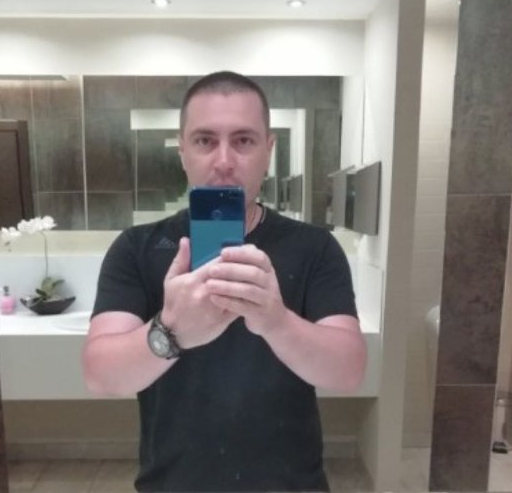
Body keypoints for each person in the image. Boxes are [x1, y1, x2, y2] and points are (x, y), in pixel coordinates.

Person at [83, 71, 367, 492]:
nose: (223, 161)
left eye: (243, 140)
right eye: (204, 140)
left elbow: (349, 372)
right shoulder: (138, 247)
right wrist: (171, 330)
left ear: (268, 150)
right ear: (182, 151)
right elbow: (100, 375)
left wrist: (276, 322)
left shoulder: (314, 247)